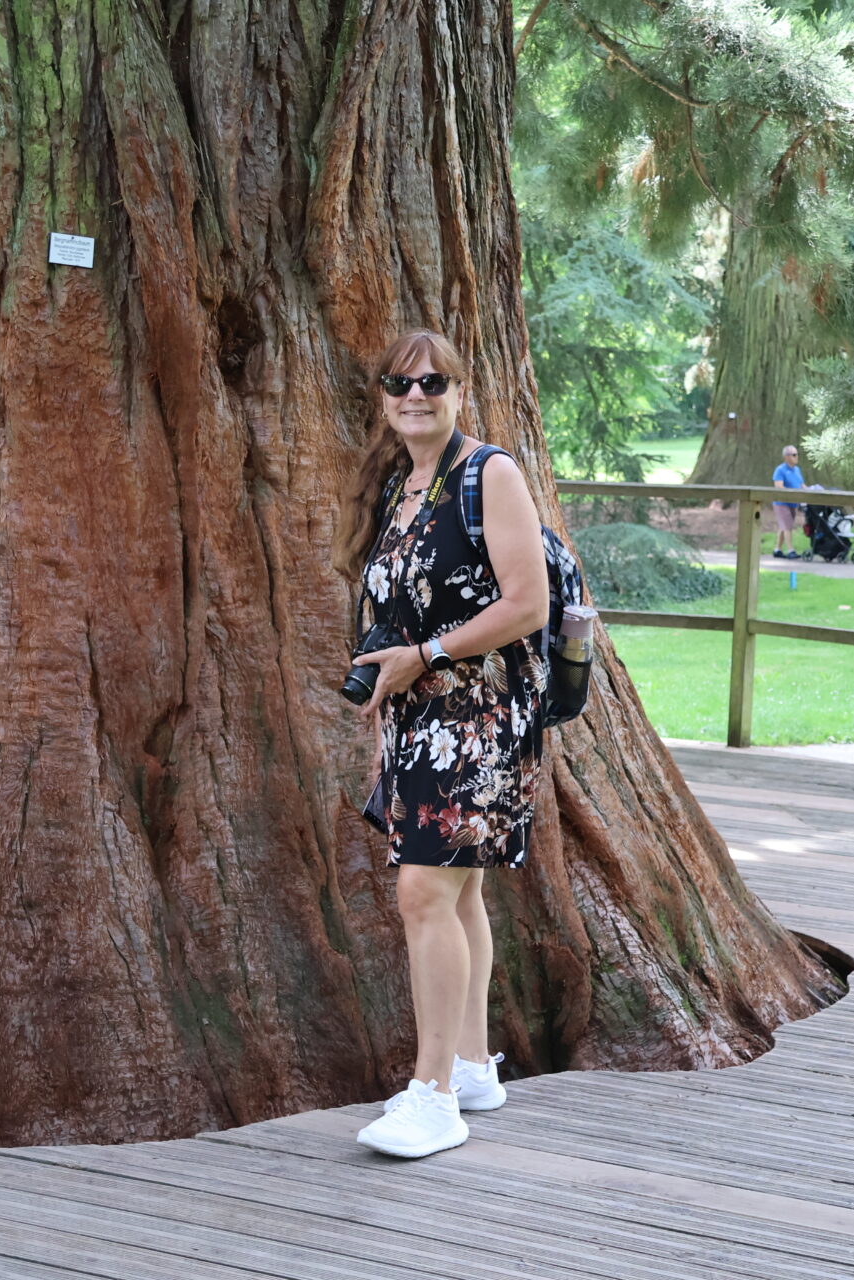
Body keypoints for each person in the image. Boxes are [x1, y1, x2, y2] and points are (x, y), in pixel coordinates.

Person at [333, 331, 550, 1159]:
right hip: (420, 721)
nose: (414, 395)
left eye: (432, 381)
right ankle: (468, 1068)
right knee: (458, 897)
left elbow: (526, 602)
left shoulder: (489, 474)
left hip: (484, 717)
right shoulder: (399, 488)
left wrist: (424, 656)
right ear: (383, 397)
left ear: (460, 389)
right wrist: (388, 682)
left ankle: (430, 1099)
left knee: (425, 892)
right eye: (398, 382)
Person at [771, 444, 805, 558]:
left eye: (797, 454)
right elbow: (779, 486)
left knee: (783, 526)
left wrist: (812, 490)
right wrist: (791, 492)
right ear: (786, 457)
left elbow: (801, 485)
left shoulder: (797, 470)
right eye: (794, 455)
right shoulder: (780, 470)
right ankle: (791, 551)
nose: (796, 457)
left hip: (793, 503)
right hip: (782, 503)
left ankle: (777, 550)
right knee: (787, 526)